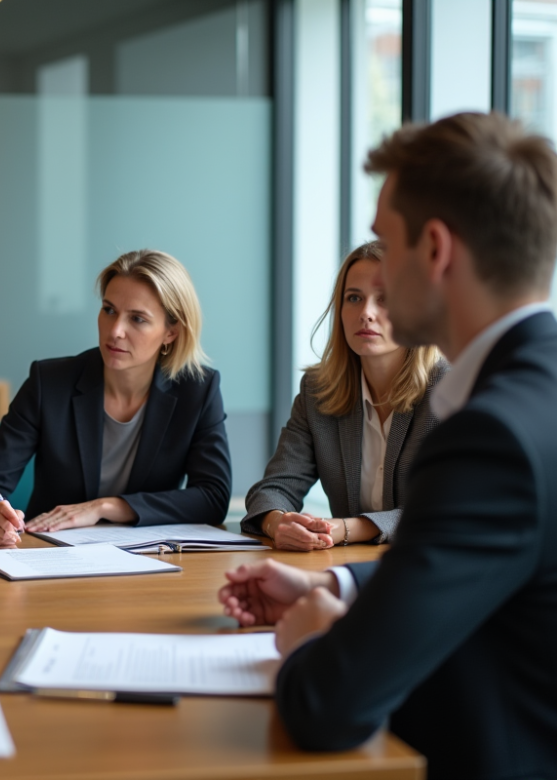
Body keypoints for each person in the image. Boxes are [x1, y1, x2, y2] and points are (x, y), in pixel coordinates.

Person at [218, 112, 557, 779]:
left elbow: (325, 706)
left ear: (434, 250)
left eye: (385, 241)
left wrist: (314, 637)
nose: (371, 296)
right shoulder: (533, 395)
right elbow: (486, 565)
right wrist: (343, 584)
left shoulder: (490, 437)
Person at [0, 249, 232, 546]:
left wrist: (106, 506)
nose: (115, 331)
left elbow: (213, 496)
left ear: (171, 332)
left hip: (147, 560)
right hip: (49, 556)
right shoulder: (49, 382)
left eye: (137, 319)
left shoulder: (197, 390)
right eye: (109, 310)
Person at [241, 242, 444, 550]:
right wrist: (278, 522)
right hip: (346, 570)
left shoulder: (449, 388)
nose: (366, 314)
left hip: (428, 569)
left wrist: (347, 529)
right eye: (354, 298)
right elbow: (275, 486)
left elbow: (444, 509)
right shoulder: (318, 389)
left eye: (384, 299)